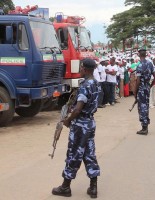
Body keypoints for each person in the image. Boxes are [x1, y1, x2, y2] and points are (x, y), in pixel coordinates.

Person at [52, 58, 101, 198]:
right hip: (90, 123)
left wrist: (68, 120)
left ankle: (65, 187)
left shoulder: (85, 85)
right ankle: (93, 187)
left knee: (74, 153)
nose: (80, 70)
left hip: (80, 125)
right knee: (89, 153)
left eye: (81, 68)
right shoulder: (97, 84)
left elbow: (78, 108)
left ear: (85, 69)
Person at [134, 48, 155, 135]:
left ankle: (144, 128)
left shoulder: (139, 65)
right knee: (146, 106)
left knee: (142, 107)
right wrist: (149, 86)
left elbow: (138, 81)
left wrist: (135, 92)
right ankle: (145, 125)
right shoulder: (150, 63)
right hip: (147, 87)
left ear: (139, 55)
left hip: (141, 88)